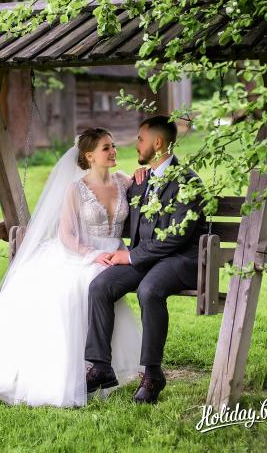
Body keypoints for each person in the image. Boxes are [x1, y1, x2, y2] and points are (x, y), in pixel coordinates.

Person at [0, 128, 144, 407]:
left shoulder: (123, 181)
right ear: (89, 156)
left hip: (116, 253)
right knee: (74, 289)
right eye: (106, 148)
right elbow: (67, 236)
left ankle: (100, 366)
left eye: (113, 146)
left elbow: (145, 186)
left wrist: (142, 175)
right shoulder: (76, 190)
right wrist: (93, 255)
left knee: (97, 284)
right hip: (83, 254)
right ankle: (76, 371)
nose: (113, 151)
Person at [85, 116, 207, 404]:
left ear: (158, 143)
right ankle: (100, 366)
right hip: (148, 260)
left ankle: (152, 374)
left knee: (149, 290)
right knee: (100, 286)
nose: (136, 145)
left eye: (140, 139)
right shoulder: (142, 180)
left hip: (182, 260)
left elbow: (177, 237)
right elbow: (114, 196)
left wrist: (130, 256)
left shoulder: (187, 182)